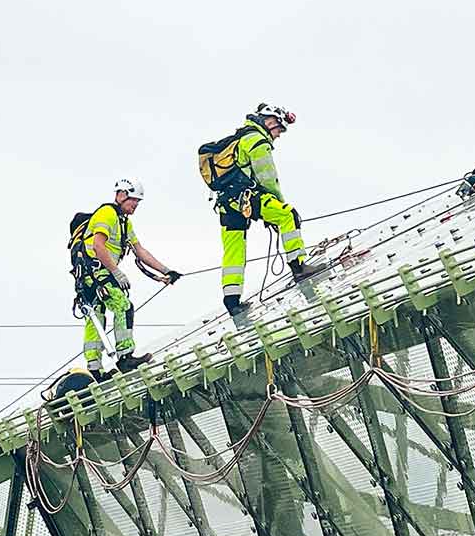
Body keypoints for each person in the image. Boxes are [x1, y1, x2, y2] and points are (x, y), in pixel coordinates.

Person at [201, 103, 318, 318]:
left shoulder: (239, 138)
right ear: (270, 122)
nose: (279, 136)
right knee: (288, 215)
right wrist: (277, 204)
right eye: (279, 130)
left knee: (233, 251)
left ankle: (232, 300)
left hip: (227, 204)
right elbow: (268, 179)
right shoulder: (257, 140)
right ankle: (299, 267)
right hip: (248, 196)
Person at [71, 180, 183, 377]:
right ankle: (125, 357)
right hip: (96, 272)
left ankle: (95, 370)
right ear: (121, 195)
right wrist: (116, 272)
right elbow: (98, 246)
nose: (135, 206)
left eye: (137, 203)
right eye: (133, 201)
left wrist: (166, 271)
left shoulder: (124, 222)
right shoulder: (107, 214)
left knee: (96, 317)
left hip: (96, 274)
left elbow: (140, 251)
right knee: (123, 306)